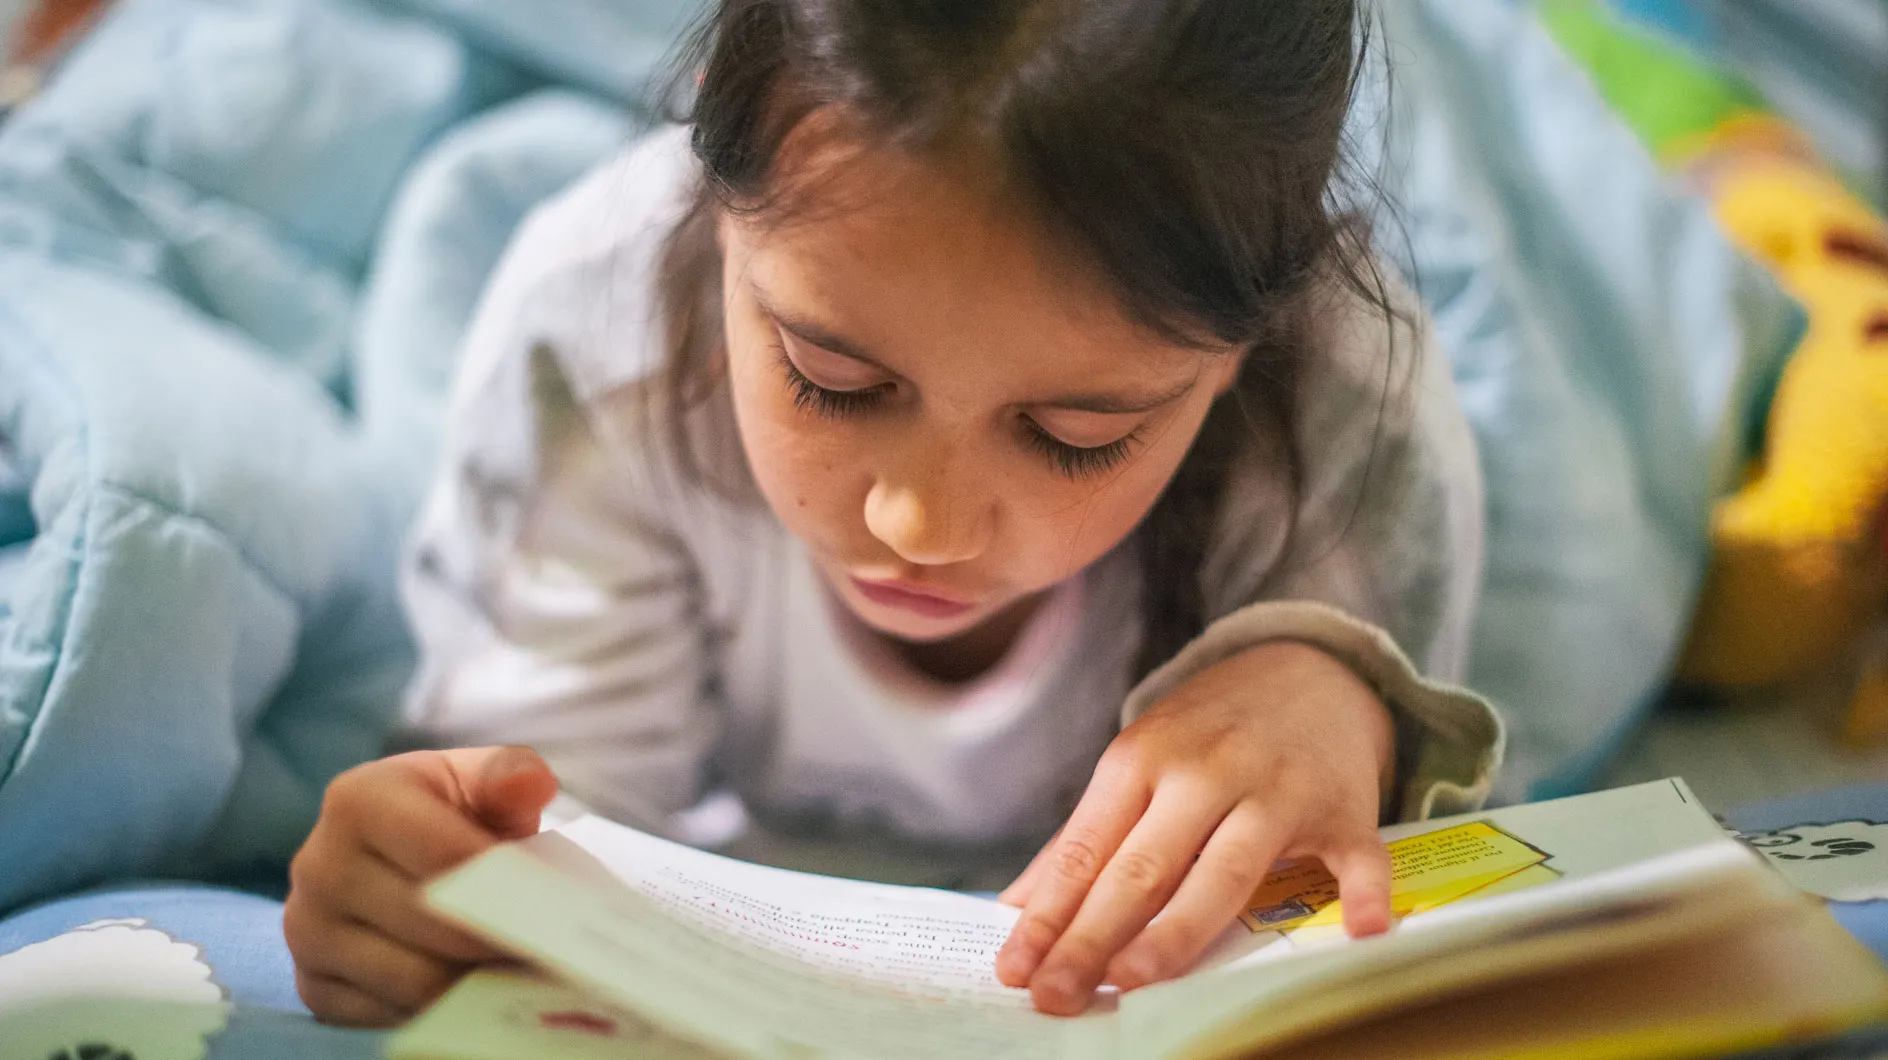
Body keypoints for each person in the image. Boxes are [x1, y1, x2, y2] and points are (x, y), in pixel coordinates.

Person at [283, 0, 1503, 1027]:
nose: (920, 524)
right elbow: (551, 822)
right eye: (832, 380)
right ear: (717, 191)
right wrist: (440, 888)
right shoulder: (599, 346)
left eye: (1076, 435)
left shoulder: (1343, 413)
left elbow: (1408, 897)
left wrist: (1352, 702)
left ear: (1247, 341)